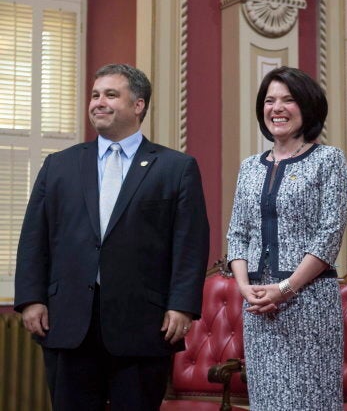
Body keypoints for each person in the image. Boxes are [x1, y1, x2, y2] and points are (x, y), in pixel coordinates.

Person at [14, 64, 210, 410]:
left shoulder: (175, 168)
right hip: (68, 321)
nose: (98, 102)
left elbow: (189, 245)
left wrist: (182, 306)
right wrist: (31, 299)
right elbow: (34, 237)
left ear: (138, 105)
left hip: (143, 326)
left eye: (110, 94)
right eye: (94, 95)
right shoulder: (58, 165)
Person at [227, 66, 347, 410]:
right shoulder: (250, 166)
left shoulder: (328, 160)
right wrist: (243, 287)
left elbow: (329, 235)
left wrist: (286, 289)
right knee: (266, 402)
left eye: (288, 100)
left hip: (309, 303)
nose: (276, 108)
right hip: (257, 303)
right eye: (269, 100)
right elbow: (237, 232)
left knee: (310, 401)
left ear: (307, 107)